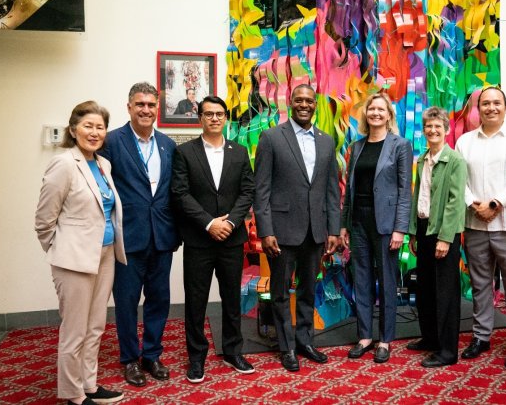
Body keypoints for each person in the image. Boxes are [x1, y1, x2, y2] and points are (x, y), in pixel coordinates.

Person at [35, 101, 125, 405]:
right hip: (73, 261)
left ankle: (89, 384)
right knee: (74, 331)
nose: (95, 132)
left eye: (100, 127)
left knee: (96, 326)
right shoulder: (63, 164)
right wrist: (60, 251)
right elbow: (44, 220)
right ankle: (73, 394)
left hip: (105, 254)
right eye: (88, 125)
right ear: (73, 129)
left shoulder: (103, 164)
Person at [254, 84, 341, 372]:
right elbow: (261, 190)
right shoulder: (271, 137)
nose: (304, 104)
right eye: (299, 100)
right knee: (280, 292)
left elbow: (331, 190)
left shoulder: (327, 141)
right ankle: (286, 345)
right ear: (290, 102)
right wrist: (265, 231)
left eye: (309, 101)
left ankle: (304, 340)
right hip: (281, 232)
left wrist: (333, 230)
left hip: (315, 232)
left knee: (307, 289)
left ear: (315, 105)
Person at [99, 82, 179, 386]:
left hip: (161, 237)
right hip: (128, 238)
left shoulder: (167, 145)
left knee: (159, 300)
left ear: (157, 108)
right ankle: (130, 359)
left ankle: (152, 355)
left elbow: (170, 191)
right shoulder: (111, 142)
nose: (146, 110)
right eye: (140, 104)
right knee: (127, 302)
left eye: (150, 105)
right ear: (129, 107)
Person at [171, 96, 255, 382]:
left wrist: (230, 222)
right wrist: (209, 223)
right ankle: (196, 358)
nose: (215, 118)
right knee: (196, 302)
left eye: (220, 114)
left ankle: (233, 351)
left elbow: (248, 191)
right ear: (200, 118)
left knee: (232, 299)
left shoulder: (240, 152)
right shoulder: (184, 152)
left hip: (231, 239)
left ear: (225, 118)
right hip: (199, 240)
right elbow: (180, 194)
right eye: (209, 114)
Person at [455, 86, 506, 369]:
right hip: (475, 224)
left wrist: (496, 203)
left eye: (496, 103)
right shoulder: (465, 141)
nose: (491, 107)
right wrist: (474, 204)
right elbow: (459, 178)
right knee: (480, 285)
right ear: (478, 108)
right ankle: (481, 336)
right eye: (485, 103)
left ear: (505, 107)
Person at [339, 93, 412, 363]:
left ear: (389, 115)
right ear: (366, 114)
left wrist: (400, 230)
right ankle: (365, 336)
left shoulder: (400, 145)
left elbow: (405, 192)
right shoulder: (356, 147)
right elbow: (350, 189)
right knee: (362, 280)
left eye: (381, 109)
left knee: (388, 281)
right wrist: (344, 225)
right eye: (372, 109)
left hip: (387, 225)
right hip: (358, 222)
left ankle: (385, 339)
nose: (376, 113)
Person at [407, 106, 467, 368]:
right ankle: (430, 338)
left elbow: (456, 202)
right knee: (426, 290)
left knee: (445, 293)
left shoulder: (455, 160)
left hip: (444, 234)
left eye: (437, 127)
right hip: (423, 230)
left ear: (446, 129)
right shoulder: (422, 159)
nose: (432, 130)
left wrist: (445, 238)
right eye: (428, 126)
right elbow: (417, 196)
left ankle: (447, 351)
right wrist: (412, 232)